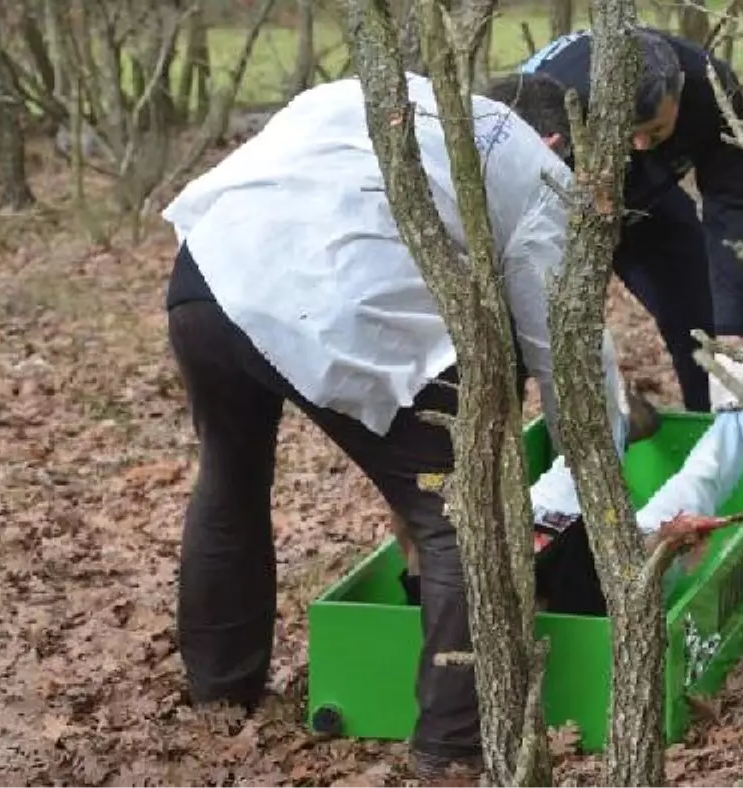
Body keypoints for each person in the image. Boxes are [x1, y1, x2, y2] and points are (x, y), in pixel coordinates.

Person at [159, 71, 630, 779]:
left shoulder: (367, 91)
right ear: (557, 137)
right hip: (344, 300)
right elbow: (566, 344)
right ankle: (451, 746)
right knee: (465, 517)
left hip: (210, 278)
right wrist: (594, 457)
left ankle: (221, 692)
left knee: (230, 474)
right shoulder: (526, 156)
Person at [510, 27, 743, 413]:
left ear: (678, 89)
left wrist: (730, 331)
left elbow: (730, 203)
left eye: (657, 130)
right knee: (524, 336)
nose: (643, 144)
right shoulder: (552, 101)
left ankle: (717, 422)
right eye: (632, 134)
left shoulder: (710, 88)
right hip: (550, 206)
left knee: (704, 314)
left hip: (647, 201)